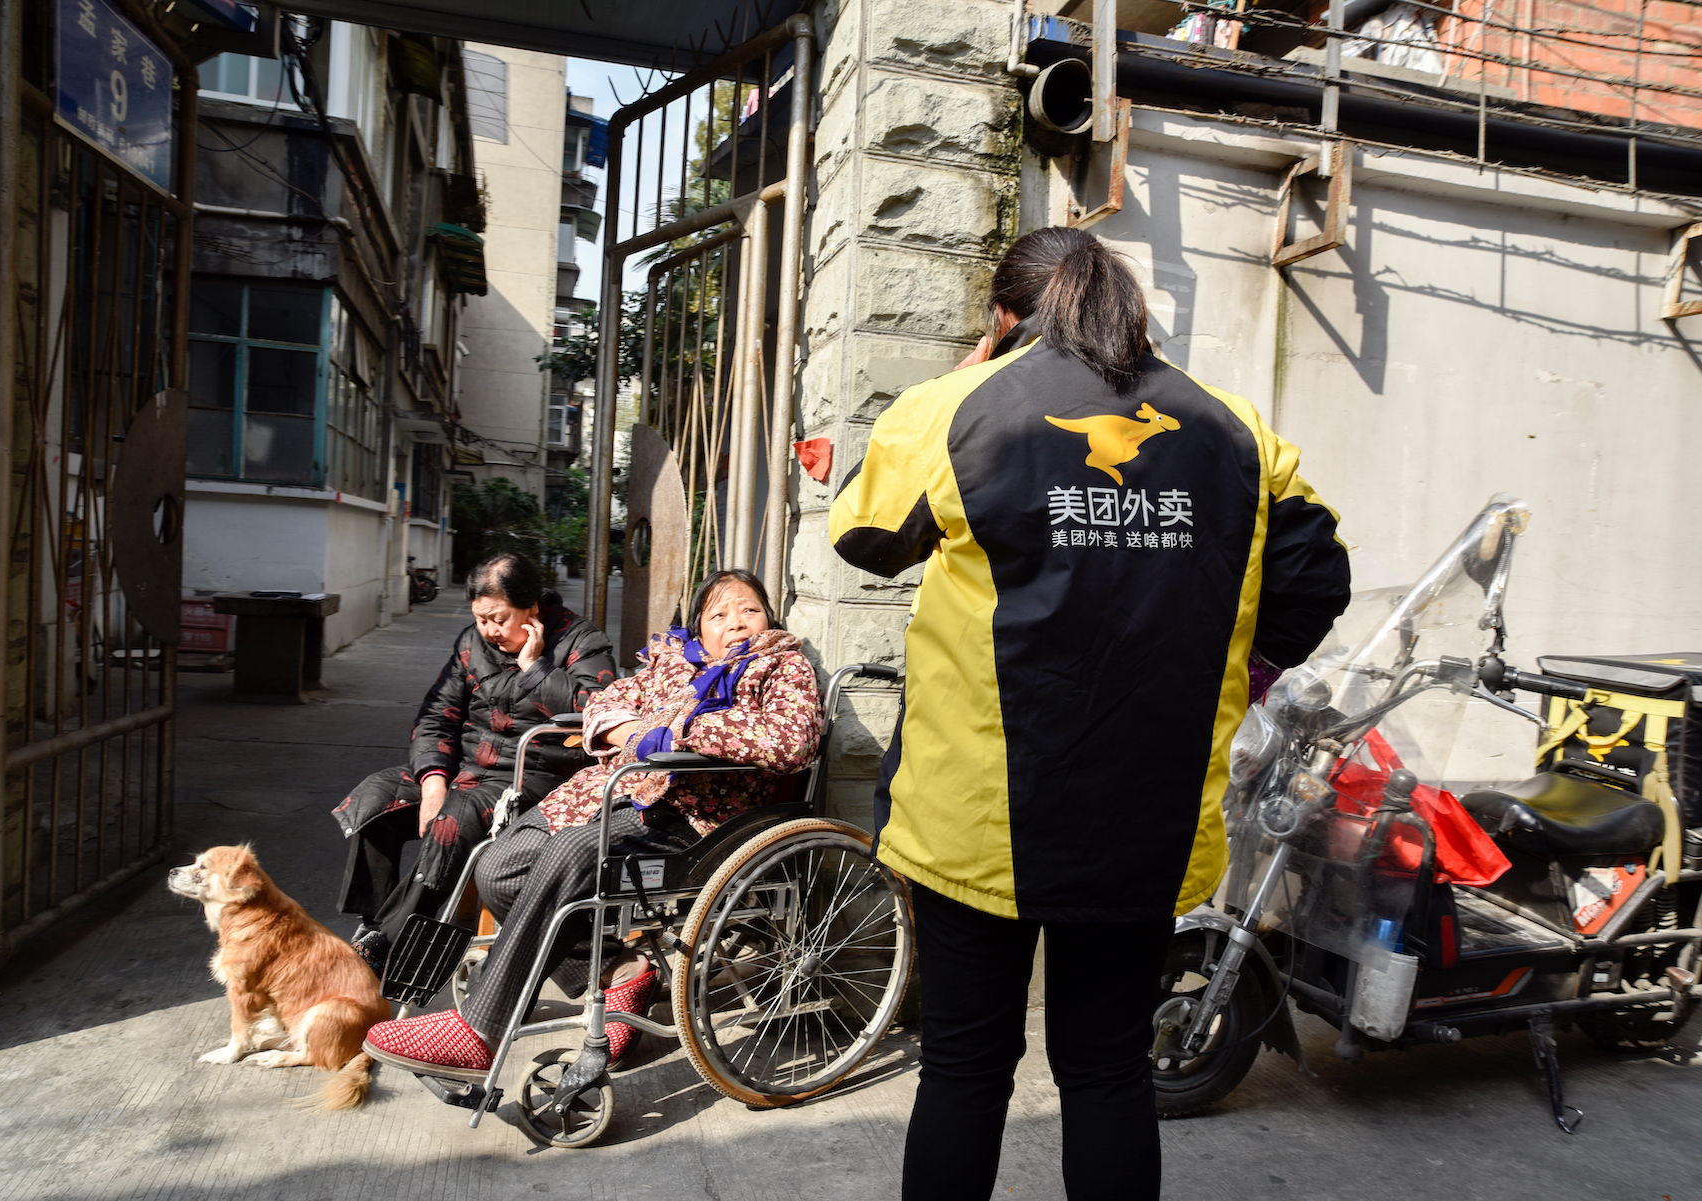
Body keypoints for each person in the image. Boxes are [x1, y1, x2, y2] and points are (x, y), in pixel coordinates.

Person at [828, 226, 1350, 1201]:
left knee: (965, 1070)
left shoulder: (954, 409)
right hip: (1144, 819)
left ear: (1004, 318)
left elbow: (865, 534)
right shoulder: (1234, 430)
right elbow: (1318, 581)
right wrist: (1235, 659)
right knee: (1107, 1073)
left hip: (976, 817)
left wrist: (961, 378)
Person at [360, 569, 822, 1074]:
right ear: (699, 631)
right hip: (607, 796)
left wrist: (671, 732)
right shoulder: (670, 663)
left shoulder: (781, 665)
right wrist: (631, 728)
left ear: (768, 617)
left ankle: (479, 1027)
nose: (735, 622)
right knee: (497, 867)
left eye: (748, 609)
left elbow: (790, 740)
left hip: (698, 818)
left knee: (575, 853)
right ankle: (621, 971)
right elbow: (603, 702)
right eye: (719, 614)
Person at [331, 552, 617, 975]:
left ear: (532, 608)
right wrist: (432, 781)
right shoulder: (472, 644)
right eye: (481, 619)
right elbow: (436, 715)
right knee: (378, 800)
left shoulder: (582, 641)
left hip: (530, 777)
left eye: (498, 619)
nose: (489, 631)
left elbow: (600, 710)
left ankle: (388, 949)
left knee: (454, 818)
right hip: (463, 770)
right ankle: (373, 925)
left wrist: (535, 668)